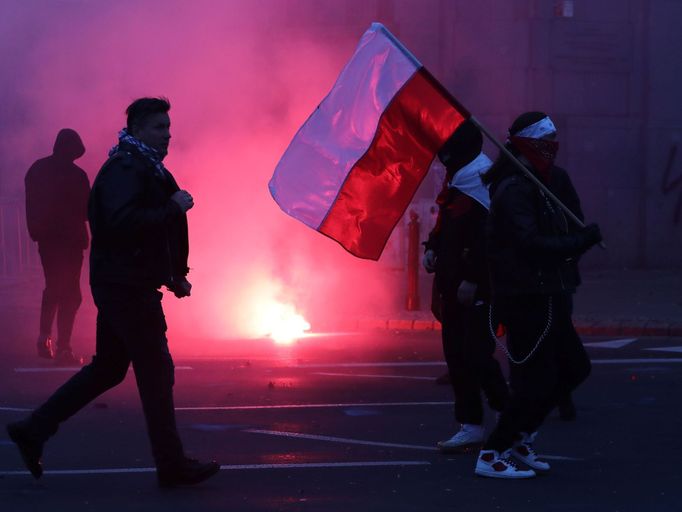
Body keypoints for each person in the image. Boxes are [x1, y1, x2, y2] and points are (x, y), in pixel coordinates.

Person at [6, 97, 219, 487]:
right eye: (159, 128)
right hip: (126, 288)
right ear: (137, 130)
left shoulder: (140, 166)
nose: (167, 136)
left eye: (168, 129)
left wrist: (173, 275)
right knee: (156, 373)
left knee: (108, 369)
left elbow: (139, 233)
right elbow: (123, 225)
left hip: (122, 282)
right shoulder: (127, 168)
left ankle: (34, 429)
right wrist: (173, 207)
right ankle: (171, 466)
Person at [474, 111, 602, 479]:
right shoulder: (513, 188)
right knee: (536, 380)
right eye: (545, 138)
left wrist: (575, 244)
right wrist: (580, 241)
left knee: (575, 368)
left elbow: (570, 222)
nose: (553, 145)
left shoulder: (552, 181)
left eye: (555, 137)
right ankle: (492, 452)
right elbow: (529, 244)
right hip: (526, 296)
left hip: (556, 292)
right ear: (527, 143)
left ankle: (520, 435)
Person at [423, 120, 508, 452]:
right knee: (456, 357)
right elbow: (447, 222)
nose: (443, 155)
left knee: (478, 356)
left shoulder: (482, 178)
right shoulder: (458, 178)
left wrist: (473, 277)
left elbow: (488, 236)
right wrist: (432, 246)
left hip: (477, 286)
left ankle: (508, 415)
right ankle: (470, 424)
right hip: (451, 282)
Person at [25, 129, 90, 365]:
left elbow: (31, 203)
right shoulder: (77, 175)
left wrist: (36, 230)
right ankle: (64, 347)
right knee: (71, 293)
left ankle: (45, 336)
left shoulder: (37, 169)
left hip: (48, 240)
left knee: (53, 286)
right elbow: (87, 210)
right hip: (71, 241)